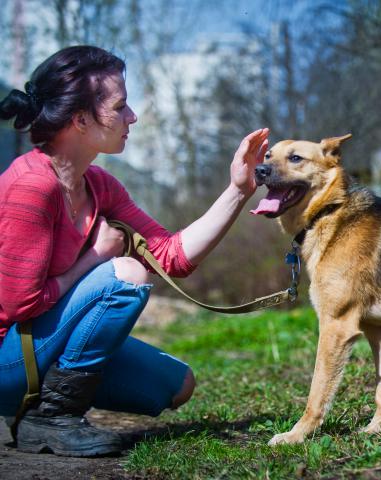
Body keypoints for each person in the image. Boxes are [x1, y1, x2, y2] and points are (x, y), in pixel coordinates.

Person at [0, 45, 269, 457]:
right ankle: (51, 419)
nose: (132, 116)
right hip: (8, 356)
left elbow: (171, 257)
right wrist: (95, 259)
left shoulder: (100, 186)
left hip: (42, 348)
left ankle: (50, 404)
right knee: (125, 273)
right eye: (121, 106)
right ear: (81, 118)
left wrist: (237, 191)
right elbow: (20, 304)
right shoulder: (31, 187)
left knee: (176, 385)